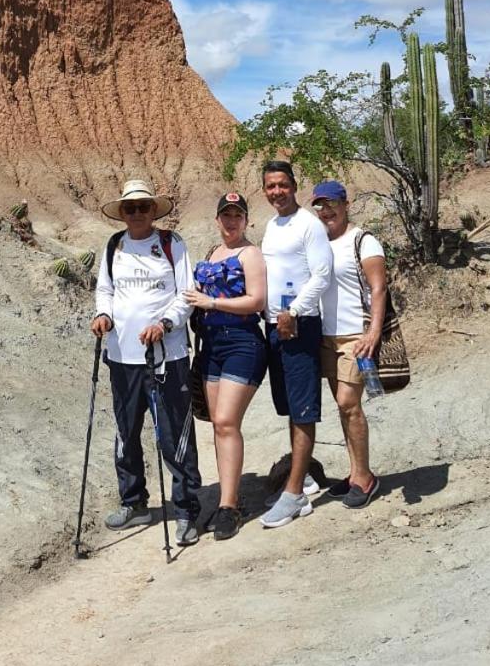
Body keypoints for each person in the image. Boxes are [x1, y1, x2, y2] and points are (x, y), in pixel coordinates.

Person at [91, 179, 202, 546]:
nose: (137, 212)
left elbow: (187, 295)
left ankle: (186, 509)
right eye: (130, 207)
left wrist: (165, 323)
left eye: (143, 206)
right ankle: (134, 501)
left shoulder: (172, 244)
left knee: (174, 434)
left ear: (154, 210)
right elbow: (105, 290)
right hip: (122, 356)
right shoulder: (114, 245)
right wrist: (103, 315)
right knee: (126, 432)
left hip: (166, 356)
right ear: (122, 212)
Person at [184, 190, 267, 541]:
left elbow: (257, 301)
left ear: (246, 219)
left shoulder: (251, 254)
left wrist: (212, 303)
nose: (232, 221)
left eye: (238, 215)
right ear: (217, 219)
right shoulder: (211, 253)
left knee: (226, 421)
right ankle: (225, 500)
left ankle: (230, 506)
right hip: (212, 346)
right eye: (226, 215)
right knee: (218, 426)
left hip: (242, 343)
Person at [259, 160, 334, 528]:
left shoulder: (309, 225)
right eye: (271, 186)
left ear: (294, 185)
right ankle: (300, 478)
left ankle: (294, 496)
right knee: (290, 404)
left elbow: (322, 275)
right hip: (275, 325)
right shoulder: (271, 226)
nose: (277, 192)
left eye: (283, 185)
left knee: (303, 408)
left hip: (299, 325)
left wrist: (294, 311)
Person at [311, 180, 385, 508]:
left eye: (331, 204)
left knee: (348, 403)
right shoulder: (319, 243)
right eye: (320, 205)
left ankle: (366, 477)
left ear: (345, 204)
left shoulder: (363, 241)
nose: (326, 211)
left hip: (356, 336)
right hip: (327, 337)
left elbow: (379, 288)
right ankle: (355, 473)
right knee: (343, 408)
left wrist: (373, 332)